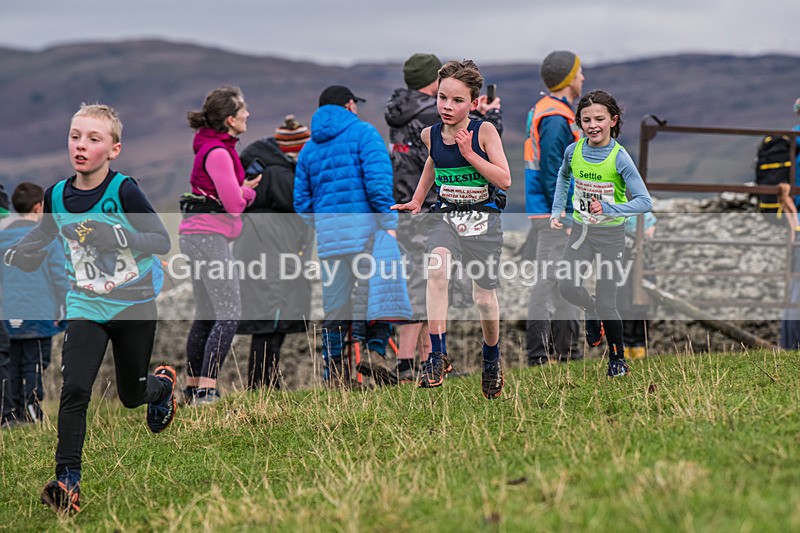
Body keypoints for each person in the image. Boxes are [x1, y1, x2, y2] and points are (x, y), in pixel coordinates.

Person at [3, 103, 175, 513]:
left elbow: (160, 241)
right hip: (86, 303)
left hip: (133, 303)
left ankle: (162, 388)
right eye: (75, 136)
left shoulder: (124, 191)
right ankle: (68, 481)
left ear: (113, 149)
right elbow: (44, 235)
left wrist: (115, 235)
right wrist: (17, 253)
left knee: (131, 395)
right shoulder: (57, 195)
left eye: (93, 139)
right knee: (75, 389)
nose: (81, 146)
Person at [392, 60, 511, 399]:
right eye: (443, 97)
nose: (447, 106)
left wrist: (470, 153)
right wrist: (417, 200)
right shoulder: (429, 134)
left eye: (457, 101)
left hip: (484, 221)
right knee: (437, 270)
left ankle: (491, 358)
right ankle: (437, 354)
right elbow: (434, 160)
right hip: (446, 216)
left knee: (484, 299)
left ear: (473, 103)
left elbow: (504, 179)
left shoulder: (484, 131)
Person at [294, 85, 409, 387]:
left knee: (336, 307)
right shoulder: (365, 134)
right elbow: (378, 186)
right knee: (380, 295)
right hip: (368, 235)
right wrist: (388, 223)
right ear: (349, 105)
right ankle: (374, 353)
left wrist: (324, 226)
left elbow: (301, 202)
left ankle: (334, 374)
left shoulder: (308, 148)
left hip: (331, 243)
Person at [549, 90, 653, 377]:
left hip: (610, 236)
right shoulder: (574, 151)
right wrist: (558, 209)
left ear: (613, 120)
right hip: (581, 232)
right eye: (586, 120)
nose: (592, 125)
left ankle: (617, 360)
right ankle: (590, 310)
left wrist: (609, 208)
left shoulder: (620, 158)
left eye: (599, 119)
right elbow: (563, 176)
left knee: (609, 300)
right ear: (579, 123)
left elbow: (645, 202)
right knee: (567, 286)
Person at [179, 86, 260, 404]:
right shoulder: (219, 153)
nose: (247, 115)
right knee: (229, 313)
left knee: (207, 313)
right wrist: (248, 192)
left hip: (195, 235)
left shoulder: (209, 148)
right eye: (243, 110)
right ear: (230, 119)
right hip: (209, 237)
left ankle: (192, 387)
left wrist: (239, 188)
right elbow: (234, 205)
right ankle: (206, 389)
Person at [234, 115, 314, 389]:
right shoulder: (281, 174)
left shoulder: (261, 165)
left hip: (257, 246)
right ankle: (263, 382)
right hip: (273, 249)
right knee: (273, 317)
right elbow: (301, 205)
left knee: (267, 318)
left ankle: (264, 379)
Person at [524, 50, 585, 366]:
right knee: (550, 280)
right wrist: (562, 213)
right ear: (567, 78)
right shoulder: (555, 118)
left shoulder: (548, 111)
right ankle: (539, 356)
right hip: (555, 215)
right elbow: (553, 170)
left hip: (551, 211)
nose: (582, 78)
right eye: (579, 72)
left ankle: (568, 353)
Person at [0, 183, 69, 424]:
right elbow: (60, 276)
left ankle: (11, 413)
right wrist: (65, 307)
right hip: (39, 313)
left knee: (10, 362)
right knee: (35, 363)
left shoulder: (2, 237)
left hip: (7, 314)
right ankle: (32, 409)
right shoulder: (47, 239)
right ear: (39, 207)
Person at [619, 212, 658, 359]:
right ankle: (627, 346)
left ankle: (639, 347)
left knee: (642, 304)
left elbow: (649, 220)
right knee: (626, 304)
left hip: (641, 258)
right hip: (626, 258)